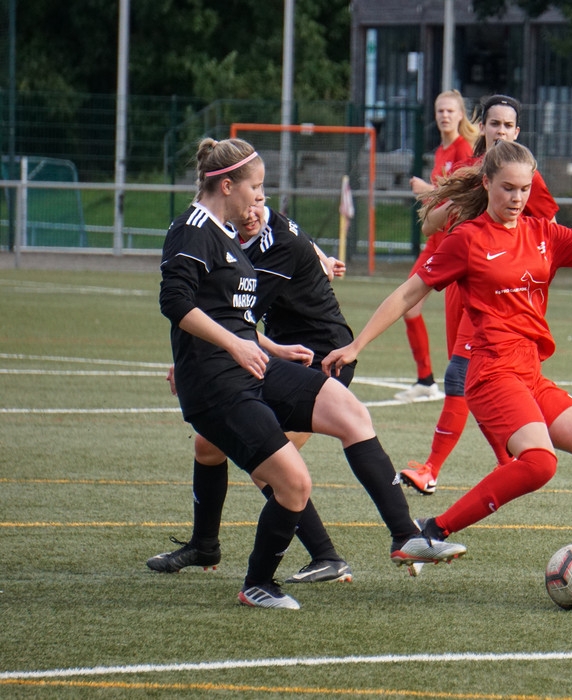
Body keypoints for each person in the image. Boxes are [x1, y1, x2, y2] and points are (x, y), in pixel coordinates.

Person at [323, 140, 572, 605]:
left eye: (524, 188)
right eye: (508, 188)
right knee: (540, 463)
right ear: (487, 183)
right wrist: (356, 344)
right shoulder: (468, 239)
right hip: (491, 373)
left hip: (530, 372)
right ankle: (429, 532)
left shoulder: (543, 234)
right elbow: (410, 293)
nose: (516, 197)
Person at [159, 137, 466, 609]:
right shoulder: (193, 228)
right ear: (226, 185)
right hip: (215, 384)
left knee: (349, 411)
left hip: (249, 367)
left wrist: (268, 344)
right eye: (254, 188)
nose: (258, 199)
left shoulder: (227, 232)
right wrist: (231, 345)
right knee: (293, 483)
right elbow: (176, 303)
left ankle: (406, 536)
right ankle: (258, 582)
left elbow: (231, 314)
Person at [148, 202, 357, 585]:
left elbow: (232, 315)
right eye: (250, 198)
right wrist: (323, 257)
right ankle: (205, 544)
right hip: (281, 354)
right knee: (208, 446)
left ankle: (326, 556)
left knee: (271, 462)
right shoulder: (239, 230)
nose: (253, 209)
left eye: (259, 197)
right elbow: (299, 241)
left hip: (316, 358)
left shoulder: (263, 236)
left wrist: (200, 353)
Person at [399, 93, 559, 496]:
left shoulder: (526, 174)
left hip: (499, 293)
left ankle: (431, 468)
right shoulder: (472, 170)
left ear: (516, 131)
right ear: (482, 127)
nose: (500, 131)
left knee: (458, 374)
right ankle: (510, 464)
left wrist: (522, 263)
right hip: (463, 285)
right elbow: (432, 224)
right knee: (470, 380)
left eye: (508, 125)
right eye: (494, 124)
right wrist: (450, 198)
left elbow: (551, 230)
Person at [396, 90, 478, 403]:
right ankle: (426, 379)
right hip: (435, 243)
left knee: (459, 318)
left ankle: (462, 379)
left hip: (453, 244)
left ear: (460, 115)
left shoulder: (463, 150)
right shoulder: (442, 151)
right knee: (409, 305)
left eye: (450, 111)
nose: (444, 115)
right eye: (440, 110)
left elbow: (461, 197)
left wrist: (426, 190)